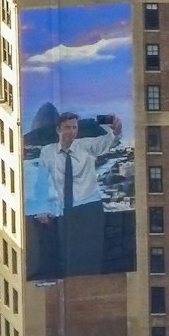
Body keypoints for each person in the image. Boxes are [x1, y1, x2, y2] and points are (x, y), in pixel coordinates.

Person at [32, 112, 123, 278]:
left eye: (74, 127)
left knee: (90, 256)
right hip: (65, 210)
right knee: (67, 256)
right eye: (67, 127)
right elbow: (42, 182)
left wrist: (115, 131)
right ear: (58, 130)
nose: (71, 131)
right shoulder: (48, 152)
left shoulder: (85, 145)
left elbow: (106, 142)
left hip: (89, 207)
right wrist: (42, 208)